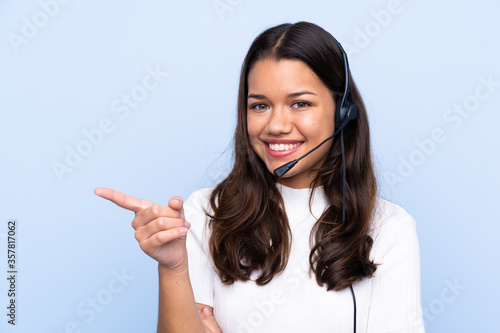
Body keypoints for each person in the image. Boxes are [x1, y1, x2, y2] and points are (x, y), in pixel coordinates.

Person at [95, 21, 424, 332]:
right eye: (260, 106)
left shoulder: (388, 228)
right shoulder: (205, 213)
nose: (276, 126)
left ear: (342, 113)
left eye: (299, 104)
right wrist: (172, 265)